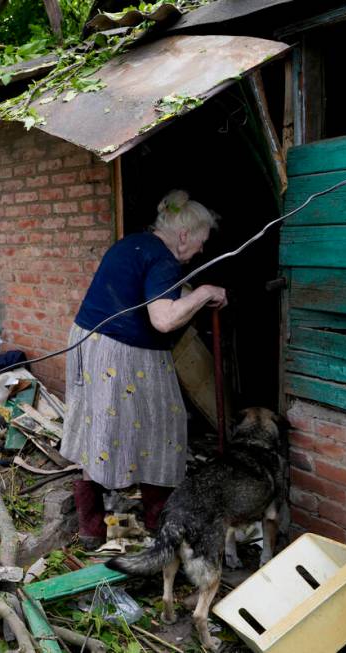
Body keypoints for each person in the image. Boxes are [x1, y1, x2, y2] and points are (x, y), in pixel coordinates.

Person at [60, 189, 228, 547]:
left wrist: (187, 292)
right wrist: (204, 293)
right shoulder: (163, 259)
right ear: (184, 234)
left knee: (98, 428)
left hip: (90, 341)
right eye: (201, 241)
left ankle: (91, 526)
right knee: (163, 425)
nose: (201, 250)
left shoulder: (135, 244)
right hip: (120, 351)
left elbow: (146, 294)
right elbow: (163, 320)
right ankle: (157, 520)